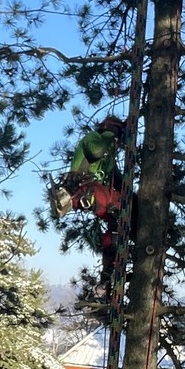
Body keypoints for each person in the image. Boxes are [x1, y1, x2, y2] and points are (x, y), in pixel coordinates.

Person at [54, 114, 128, 302]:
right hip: (83, 188)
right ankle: (109, 269)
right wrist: (111, 134)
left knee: (116, 223)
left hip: (94, 193)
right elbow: (95, 151)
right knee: (119, 207)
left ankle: (107, 274)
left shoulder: (108, 158)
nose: (117, 144)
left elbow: (117, 180)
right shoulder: (93, 138)